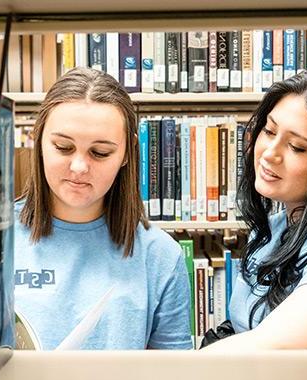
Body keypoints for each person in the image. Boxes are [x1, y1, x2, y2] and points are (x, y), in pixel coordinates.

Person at [14, 67, 192, 350]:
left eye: (100, 153)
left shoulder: (159, 256)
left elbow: (174, 379)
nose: (79, 167)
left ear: (126, 153)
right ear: (38, 139)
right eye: (63, 147)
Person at [202, 67, 307, 351]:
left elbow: (265, 346)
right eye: (269, 130)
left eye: (297, 147)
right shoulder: (274, 228)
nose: (269, 153)